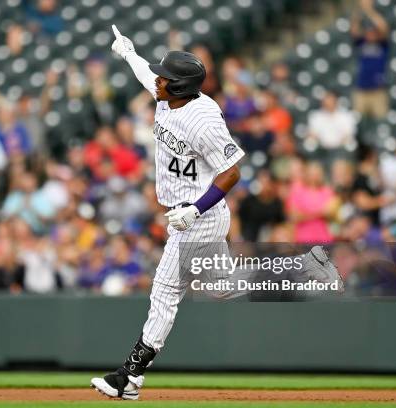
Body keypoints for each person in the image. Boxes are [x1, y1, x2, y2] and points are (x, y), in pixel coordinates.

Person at [90, 25, 343, 401]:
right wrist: (128, 52)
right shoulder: (165, 98)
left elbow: (232, 171)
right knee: (223, 289)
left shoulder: (204, 119)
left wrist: (194, 209)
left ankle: (130, 375)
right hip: (188, 212)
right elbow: (147, 75)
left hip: (199, 215)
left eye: (166, 77)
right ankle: (306, 268)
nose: (159, 79)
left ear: (178, 86)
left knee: (164, 290)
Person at [350, 0, 390, 118]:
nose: (370, 34)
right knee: (357, 121)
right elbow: (354, 29)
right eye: (368, 32)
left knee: (382, 120)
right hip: (361, 89)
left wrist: (369, 10)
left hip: (378, 90)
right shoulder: (362, 43)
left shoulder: (382, 44)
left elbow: (384, 27)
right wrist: (360, 8)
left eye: (373, 32)